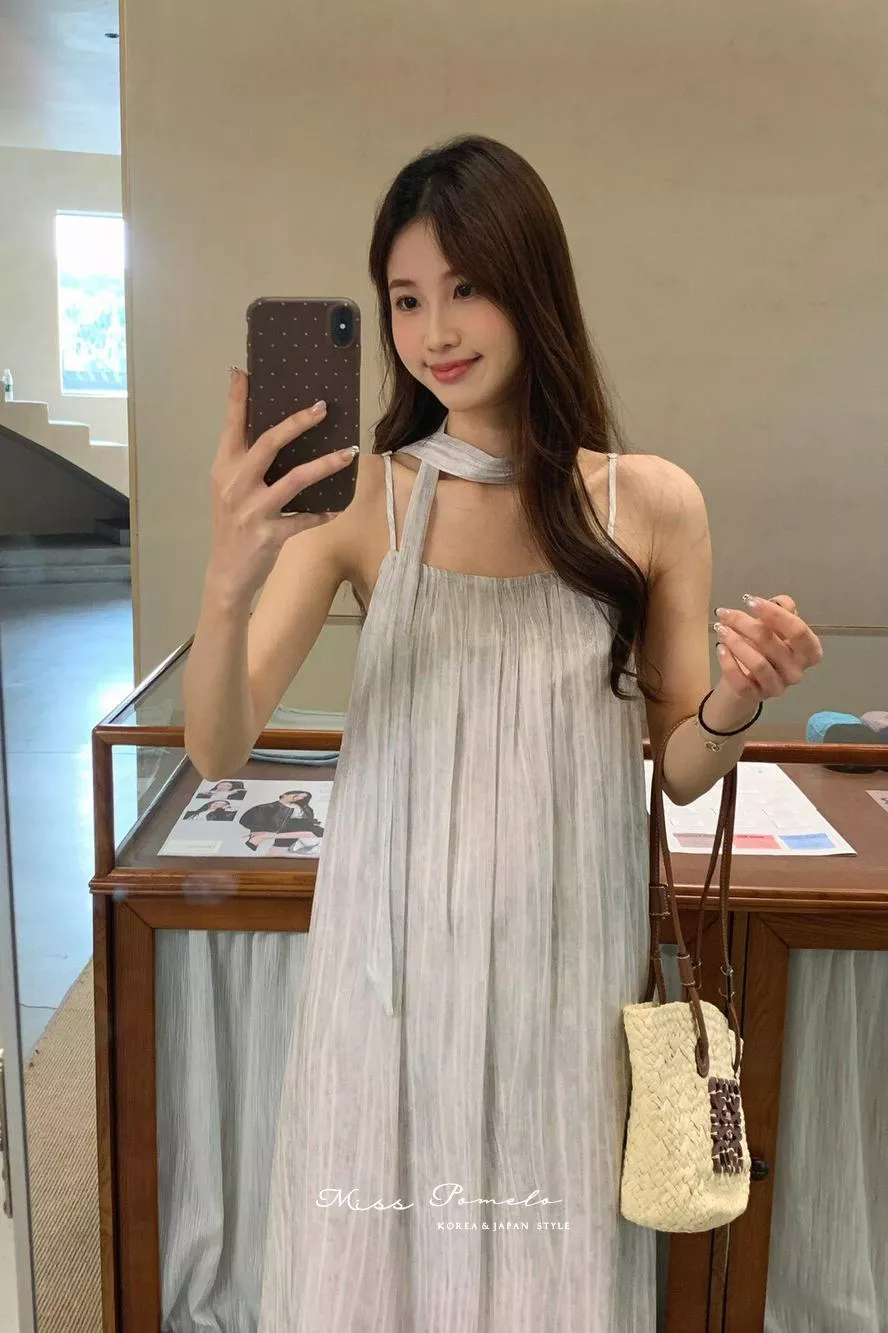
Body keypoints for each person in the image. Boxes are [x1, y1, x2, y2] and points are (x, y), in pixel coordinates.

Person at [183, 135, 822, 1332]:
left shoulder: (648, 503)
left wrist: (742, 698)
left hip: (562, 975)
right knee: (377, 1269)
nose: (435, 329)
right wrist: (229, 578)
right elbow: (218, 750)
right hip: (387, 970)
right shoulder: (361, 503)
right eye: (405, 299)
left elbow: (684, 769)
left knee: (543, 1277)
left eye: (466, 285)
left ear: (533, 283)